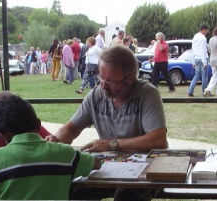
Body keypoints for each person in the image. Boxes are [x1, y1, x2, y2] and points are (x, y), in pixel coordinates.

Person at [46, 45, 168, 200]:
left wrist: (112, 144)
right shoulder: (96, 95)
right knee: (74, 189)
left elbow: (159, 140)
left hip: (146, 168)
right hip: (110, 166)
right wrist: (54, 140)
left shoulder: (147, 94)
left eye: (110, 81)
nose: (103, 85)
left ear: (130, 79)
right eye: (101, 77)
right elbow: (72, 128)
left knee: (126, 195)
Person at [0, 92, 99, 200]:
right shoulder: (67, 154)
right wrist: (58, 147)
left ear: (1, 134)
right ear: (38, 125)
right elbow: (97, 164)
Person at [187, 24, 209, 97]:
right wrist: (205, 62)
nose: (207, 32)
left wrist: (193, 61)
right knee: (204, 76)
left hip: (196, 58)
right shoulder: (203, 38)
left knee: (196, 75)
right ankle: (205, 92)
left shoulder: (195, 37)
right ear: (204, 30)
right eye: (206, 30)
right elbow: (203, 50)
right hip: (202, 58)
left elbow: (193, 50)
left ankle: (190, 90)